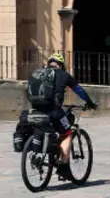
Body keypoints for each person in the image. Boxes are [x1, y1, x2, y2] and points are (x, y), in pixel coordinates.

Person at [27, 53, 98, 181]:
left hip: (35, 110)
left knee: (49, 130)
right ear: (61, 65)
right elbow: (79, 90)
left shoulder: (39, 74)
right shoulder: (64, 75)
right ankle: (64, 166)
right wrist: (90, 103)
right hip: (54, 110)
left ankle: (42, 154)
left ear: (49, 63)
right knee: (67, 133)